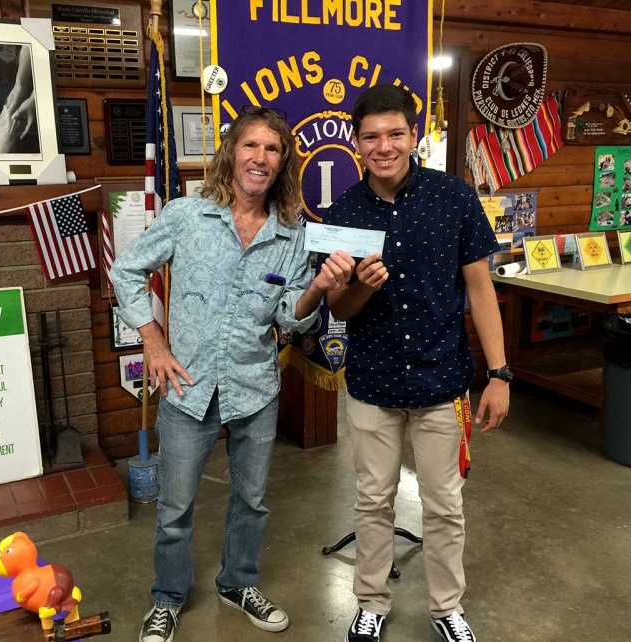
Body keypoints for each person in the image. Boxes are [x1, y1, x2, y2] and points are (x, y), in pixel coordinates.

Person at [110, 107, 354, 642]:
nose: (260, 159)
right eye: (251, 146)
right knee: (174, 507)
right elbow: (126, 269)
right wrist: (152, 339)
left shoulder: (292, 235)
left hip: (255, 388)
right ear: (232, 152)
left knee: (251, 500)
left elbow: (291, 314)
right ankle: (168, 596)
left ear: (282, 162)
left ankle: (236, 582)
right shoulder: (186, 214)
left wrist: (317, 289)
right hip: (187, 387)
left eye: (272, 150)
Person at [317, 85, 511, 642]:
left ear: (413, 135)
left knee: (444, 504)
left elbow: (480, 289)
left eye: (394, 134)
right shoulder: (345, 211)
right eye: (371, 136)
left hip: (441, 381)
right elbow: (340, 307)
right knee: (372, 499)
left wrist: (498, 374)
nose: (384, 146)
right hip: (373, 382)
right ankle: (371, 602)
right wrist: (358, 287)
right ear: (356, 143)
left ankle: (447, 607)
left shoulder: (454, 197)